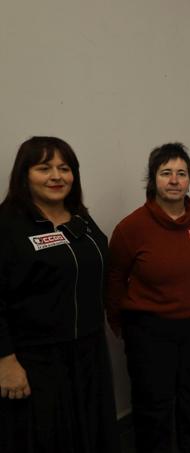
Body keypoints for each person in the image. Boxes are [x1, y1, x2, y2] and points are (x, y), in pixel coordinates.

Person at [0, 136, 120, 453]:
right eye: (44, 167)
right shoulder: (8, 225)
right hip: (36, 357)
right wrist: (5, 362)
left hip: (88, 350)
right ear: (24, 174)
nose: (56, 176)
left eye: (64, 168)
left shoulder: (80, 218)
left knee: (90, 431)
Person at [107, 142, 190, 453]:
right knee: (153, 406)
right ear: (153, 179)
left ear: (189, 180)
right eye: (166, 173)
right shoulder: (132, 227)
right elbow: (115, 279)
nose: (174, 180)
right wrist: (121, 323)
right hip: (149, 330)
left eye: (181, 173)